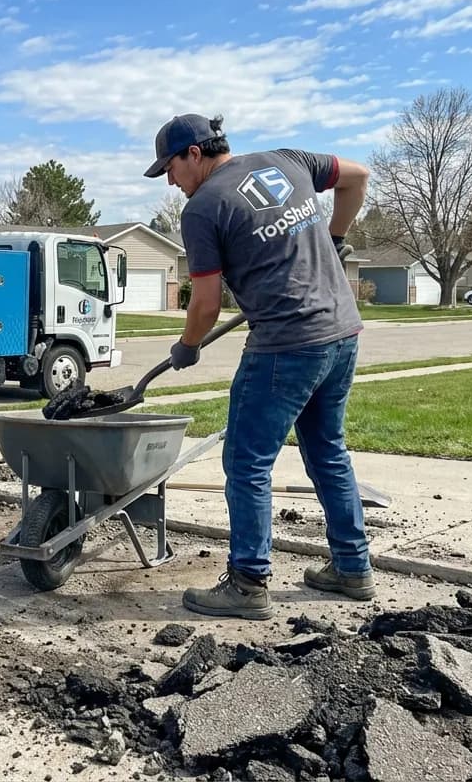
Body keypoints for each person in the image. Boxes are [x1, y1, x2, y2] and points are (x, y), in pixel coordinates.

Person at [143, 113, 373, 620]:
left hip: (285, 345)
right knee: (328, 452)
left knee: (246, 463)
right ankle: (353, 567)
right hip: (341, 333)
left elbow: (205, 304)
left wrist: (187, 345)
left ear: (194, 155)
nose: (170, 182)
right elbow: (358, 178)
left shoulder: (205, 207)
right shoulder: (287, 162)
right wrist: (333, 239)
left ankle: (248, 583)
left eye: (170, 169)